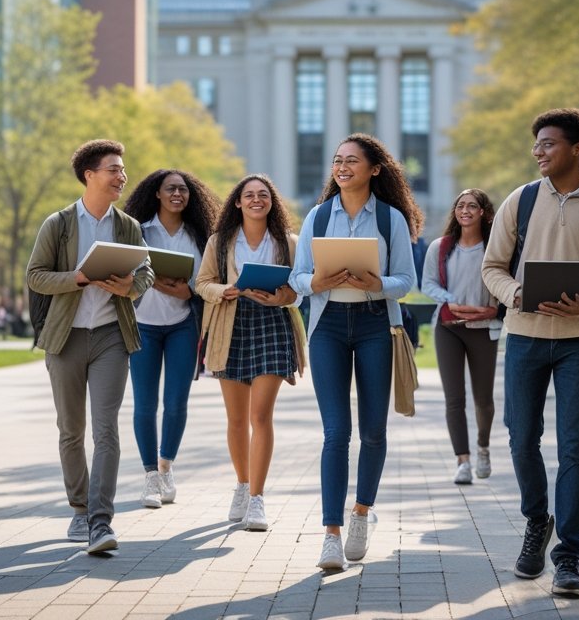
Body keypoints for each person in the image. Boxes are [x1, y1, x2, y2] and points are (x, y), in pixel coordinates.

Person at [481, 108, 579, 597]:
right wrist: (518, 295)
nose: (539, 152)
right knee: (521, 439)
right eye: (536, 145)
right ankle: (536, 521)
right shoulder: (520, 201)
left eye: (548, 144)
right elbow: (492, 267)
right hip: (525, 336)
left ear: (577, 148)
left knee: (575, 449)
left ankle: (568, 556)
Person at [291, 133, 422, 570]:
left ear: (374, 169)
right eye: (337, 160)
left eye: (352, 161)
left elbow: (406, 279)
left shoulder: (391, 220)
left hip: (374, 325)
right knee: (335, 433)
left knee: (373, 431)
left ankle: (362, 512)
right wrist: (317, 283)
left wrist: (377, 285)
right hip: (327, 325)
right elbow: (297, 277)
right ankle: (331, 534)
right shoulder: (318, 215)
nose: (342, 167)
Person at [25, 140, 153, 555]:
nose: (122, 176)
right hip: (66, 337)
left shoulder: (128, 226)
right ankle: (79, 508)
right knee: (71, 430)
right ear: (90, 175)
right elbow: (36, 277)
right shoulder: (58, 225)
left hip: (112, 336)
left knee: (106, 429)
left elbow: (146, 272)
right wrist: (78, 278)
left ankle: (100, 522)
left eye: (123, 169)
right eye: (114, 169)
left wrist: (130, 285)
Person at [195, 174, 305, 532]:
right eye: (249, 195)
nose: (257, 200)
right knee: (237, 419)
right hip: (232, 325)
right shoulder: (220, 241)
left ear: (272, 202)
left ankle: (257, 499)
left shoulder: (289, 241)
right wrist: (225, 290)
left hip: (272, 325)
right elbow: (202, 283)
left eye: (263, 195)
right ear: (238, 202)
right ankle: (242, 484)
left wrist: (283, 296)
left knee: (261, 416)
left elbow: (301, 286)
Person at [123, 169, 219, 509]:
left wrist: (187, 290)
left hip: (183, 325)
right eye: (170, 189)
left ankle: (166, 468)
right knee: (144, 405)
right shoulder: (139, 231)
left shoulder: (200, 237)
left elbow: (207, 281)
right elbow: (126, 273)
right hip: (143, 325)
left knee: (176, 402)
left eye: (183, 189)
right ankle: (149, 475)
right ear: (157, 194)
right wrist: (156, 282)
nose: (178, 194)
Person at [420, 188, 501, 485]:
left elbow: (507, 282)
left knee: (483, 399)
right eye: (460, 205)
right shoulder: (440, 247)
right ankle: (462, 460)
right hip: (448, 328)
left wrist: (495, 310)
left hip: (482, 329)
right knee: (454, 399)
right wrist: (449, 299)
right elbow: (427, 283)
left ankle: (483, 448)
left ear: (484, 213)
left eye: (472, 206)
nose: (465, 210)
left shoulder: (495, 248)